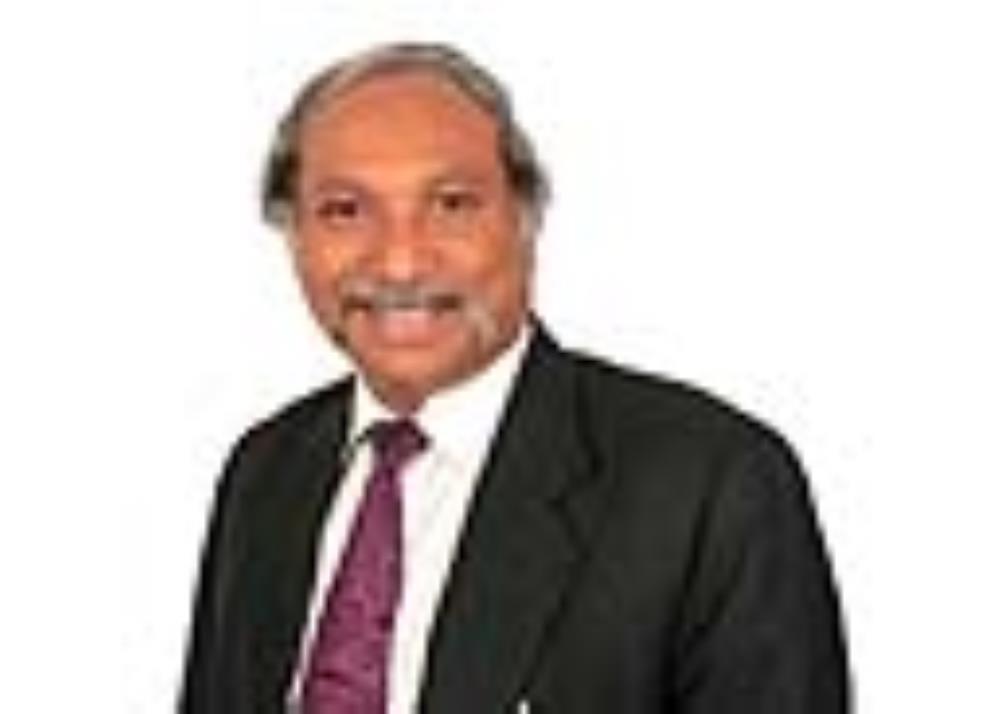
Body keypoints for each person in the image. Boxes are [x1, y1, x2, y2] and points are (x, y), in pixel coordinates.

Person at [179, 42, 851, 713]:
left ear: (526, 221)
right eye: (345, 211)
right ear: (294, 236)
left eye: (451, 204)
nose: (400, 262)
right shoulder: (265, 472)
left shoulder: (710, 484)